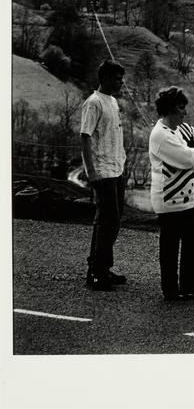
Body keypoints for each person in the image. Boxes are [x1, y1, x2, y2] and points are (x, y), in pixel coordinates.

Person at [148, 86, 194, 301]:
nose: (185, 112)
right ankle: (170, 289)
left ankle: (190, 285)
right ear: (170, 109)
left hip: (188, 198)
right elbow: (189, 159)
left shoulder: (183, 130)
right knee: (170, 244)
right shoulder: (160, 135)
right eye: (181, 107)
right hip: (169, 199)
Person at [80, 59, 127, 291]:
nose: (120, 82)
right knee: (106, 220)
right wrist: (91, 170)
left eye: (121, 78)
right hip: (102, 170)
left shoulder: (113, 102)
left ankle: (103, 266)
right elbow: (85, 136)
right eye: (117, 78)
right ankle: (96, 273)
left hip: (117, 168)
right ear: (105, 78)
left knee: (114, 220)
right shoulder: (94, 102)